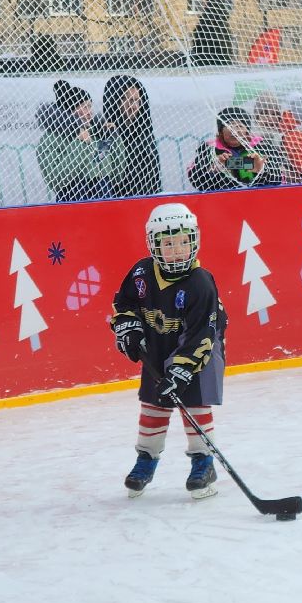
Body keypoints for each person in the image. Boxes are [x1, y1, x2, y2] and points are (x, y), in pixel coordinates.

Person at [109, 202, 228, 498]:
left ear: (194, 242)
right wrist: (128, 328)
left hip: (199, 353)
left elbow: (203, 333)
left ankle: (204, 461)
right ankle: (146, 459)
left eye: (183, 242)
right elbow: (123, 306)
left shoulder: (201, 283)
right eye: (168, 243)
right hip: (158, 350)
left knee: (196, 406)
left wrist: (182, 370)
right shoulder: (140, 274)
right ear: (154, 246)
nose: (176, 250)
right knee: (153, 405)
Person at [35, 79, 126, 202]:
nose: (90, 113)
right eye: (84, 107)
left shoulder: (96, 133)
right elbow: (56, 179)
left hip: (104, 195)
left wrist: (113, 139)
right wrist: (79, 141)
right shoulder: (49, 139)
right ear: (69, 111)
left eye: (90, 106)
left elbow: (117, 175)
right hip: (73, 197)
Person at [186, 106, 282, 191]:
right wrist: (213, 169)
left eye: (240, 125)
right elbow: (196, 180)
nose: (235, 130)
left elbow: (278, 178)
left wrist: (261, 169)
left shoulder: (263, 146)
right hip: (222, 203)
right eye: (230, 125)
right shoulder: (209, 149)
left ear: (247, 130)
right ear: (220, 131)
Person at [103, 75, 161, 198]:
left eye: (136, 101)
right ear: (116, 102)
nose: (133, 106)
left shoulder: (145, 135)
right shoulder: (104, 134)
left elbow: (155, 180)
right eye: (128, 100)